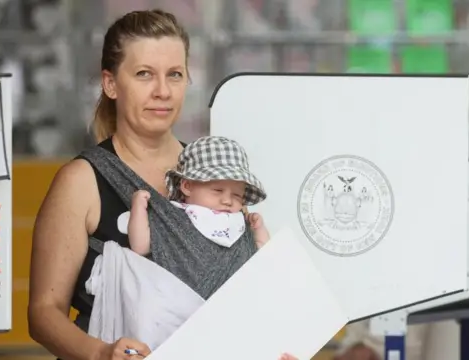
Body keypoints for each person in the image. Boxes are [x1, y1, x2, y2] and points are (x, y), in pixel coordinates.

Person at [28, 9, 297, 360]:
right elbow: (43, 313)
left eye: (174, 75)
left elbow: (244, 291)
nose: (162, 91)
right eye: (144, 75)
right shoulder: (81, 181)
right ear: (110, 84)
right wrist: (100, 354)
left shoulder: (218, 176)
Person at [128, 135, 271, 256]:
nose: (227, 201)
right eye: (217, 190)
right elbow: (141, 247)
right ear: (187, 186)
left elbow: (263, 255)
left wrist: (259, 230)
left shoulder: (239, 223)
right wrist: (138, 210)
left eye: (237, 195)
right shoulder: (174, 216)